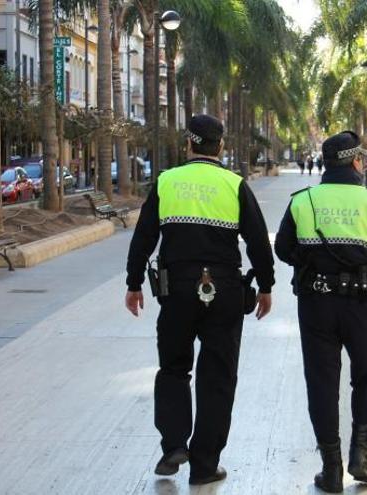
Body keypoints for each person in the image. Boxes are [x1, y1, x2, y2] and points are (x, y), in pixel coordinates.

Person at [125, 114, 275, 486]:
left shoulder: (167, 182)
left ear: (187, 144)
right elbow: (258, 240)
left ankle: (175, 445)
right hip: (224, 290)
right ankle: (205, 465)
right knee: (218, 376)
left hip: (176, 289)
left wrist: (133, 283)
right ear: (220, 147)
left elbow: (144, 237)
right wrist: (267, 286)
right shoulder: (234, 184)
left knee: (174, 368)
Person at [275, 130, 367, 493]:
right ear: (357, 161)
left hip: (316, 304)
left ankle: (331, 470)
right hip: (361, 303)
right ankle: (360, 456)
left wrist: (311, 261)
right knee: (366, 376)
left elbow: (283, 247)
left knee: (321, 382)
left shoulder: (303, 200)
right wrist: (363, 262)